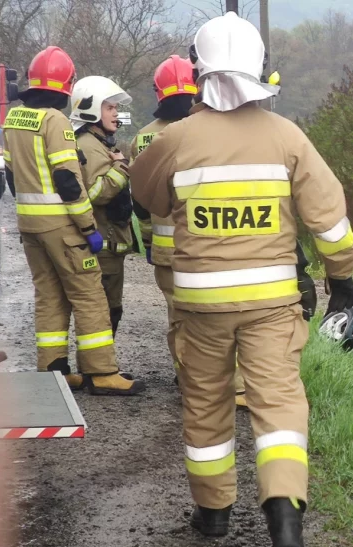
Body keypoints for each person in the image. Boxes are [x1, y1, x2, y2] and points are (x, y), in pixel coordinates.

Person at [129, 12, 353, 547]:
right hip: (273, 307)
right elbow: (329, 221)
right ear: (259, 69)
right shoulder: (287, 137)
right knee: (278, 404)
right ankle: (284, 516)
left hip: (200, 307)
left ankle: (212, 514)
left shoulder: (176, 139)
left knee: (206, 403)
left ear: (199, 70)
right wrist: (342, 280)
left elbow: (145, 196)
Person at [2, 46, 144, 395]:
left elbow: (11, 174)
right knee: (90, 294)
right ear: (65, 86)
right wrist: (87, 227)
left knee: (49, 295)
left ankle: (54, 369)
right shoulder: (55, 121)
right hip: (62, 227)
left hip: (29, 224)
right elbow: (68, 181)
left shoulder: (13, 119)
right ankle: (102, 372)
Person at [131, 54, 248, 408]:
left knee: (181, 321)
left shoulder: (143, 138)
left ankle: (190, 381)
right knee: (230, 316)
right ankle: (238, 388)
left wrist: (149, 240)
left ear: (158, 92)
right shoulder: (213, 129)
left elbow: (140, 200)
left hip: (168, 252)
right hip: (213, 245)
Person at [69, 76, 135, 336]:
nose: (116, 114)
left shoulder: (98, 143)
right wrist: (121, 167)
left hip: (110, 244)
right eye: (110, 108)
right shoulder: (89, 145)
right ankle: (99, 371)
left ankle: (103, 369)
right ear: (92, 109)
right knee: (106, 310)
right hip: (103, 247)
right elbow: (96, 192)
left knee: (111, 309)